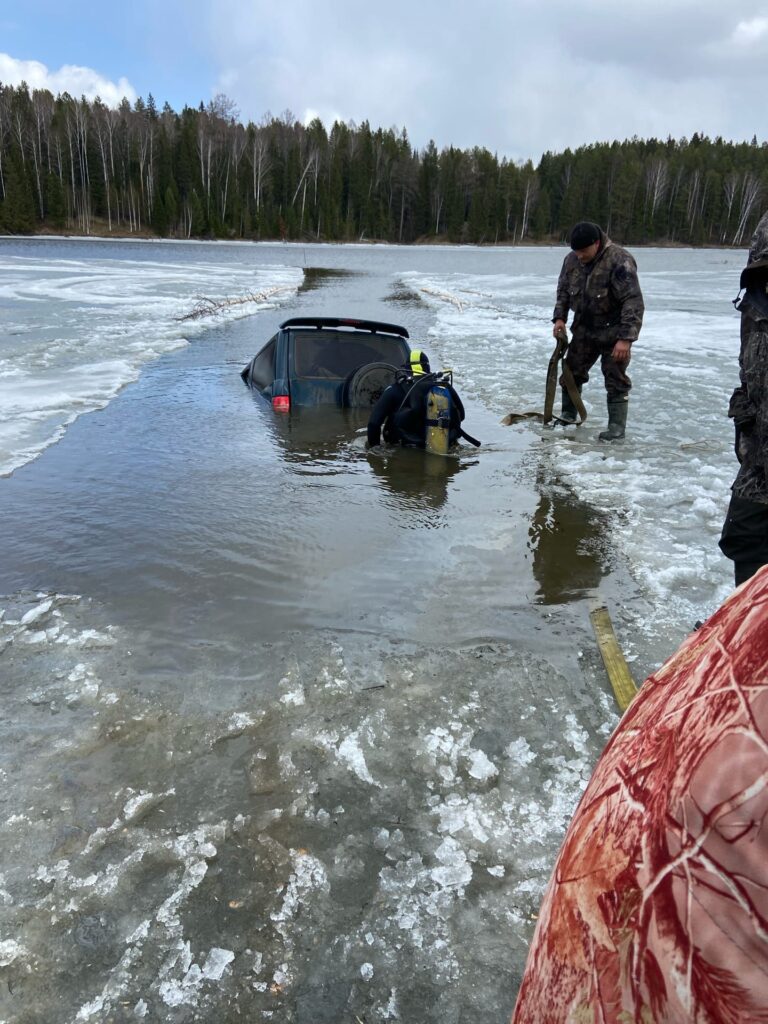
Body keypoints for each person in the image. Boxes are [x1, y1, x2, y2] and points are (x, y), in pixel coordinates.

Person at [552, 221, 644, 441]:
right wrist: (559, 318)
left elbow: (633, 301)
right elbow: (563, 290)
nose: (580, 256)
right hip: (583, 328)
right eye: (576, 251)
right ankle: (568, 415)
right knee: (570, 373)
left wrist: (626, 339)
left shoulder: (620, 260)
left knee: (615, 378)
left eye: (583, 251)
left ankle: (616, 429)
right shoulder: (571, 260)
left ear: (596, 243)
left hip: (614, 332)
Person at [719, 211, 768, 586]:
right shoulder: (754, 300)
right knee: (744, 538)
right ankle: (746, 628)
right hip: (758, 460)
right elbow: (750, 376)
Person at [366, 350, 470, 449]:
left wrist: (374, 448)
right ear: (428, 368)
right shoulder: (443, 387)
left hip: (404, 450)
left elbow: (373, 424)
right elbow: (461, 416)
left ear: (407, 369)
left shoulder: (394, 390)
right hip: (441, 446)